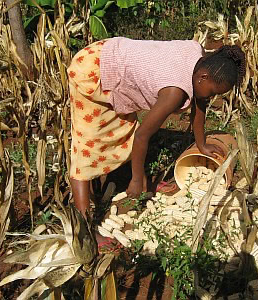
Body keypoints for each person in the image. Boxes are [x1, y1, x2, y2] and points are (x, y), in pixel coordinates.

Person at [67, 37, 246, 246]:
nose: (213, 97)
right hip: (92, 70)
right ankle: (83, 232)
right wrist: (135, 179)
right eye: (214, 92)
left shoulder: (197, 57)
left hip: (110, 54)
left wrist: (201, 143)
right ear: (203, 77)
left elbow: (200, 103)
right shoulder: (174, 92)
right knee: (87, 147)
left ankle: (137, 180)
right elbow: (143, 135)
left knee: (121, 131)